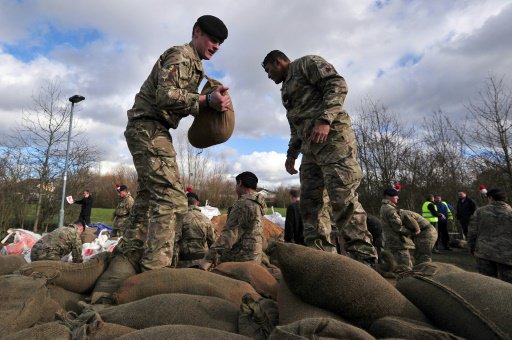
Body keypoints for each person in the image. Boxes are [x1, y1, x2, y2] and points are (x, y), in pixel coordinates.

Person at [121, 15, 230, 271]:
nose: (216, 47)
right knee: (172, 200)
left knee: (149, 198)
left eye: (220, 44)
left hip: (153, 129)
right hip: (148, 127)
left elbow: (181, 98)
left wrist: (210, 98)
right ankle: (154, 271)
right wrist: (205, 101)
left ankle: (129, 255)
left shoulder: (195, 66)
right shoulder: (181, 56)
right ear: (196, 32)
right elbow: (165, 96)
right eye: (213, 40)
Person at [261, 50, 377, 263]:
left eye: (269, 70)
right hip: (310, 149)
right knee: (310, 204)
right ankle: (321, 258)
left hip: (334, 140)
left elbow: (337, 85)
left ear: (278, 62)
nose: (269, 76)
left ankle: (363, 258)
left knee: (342, 198)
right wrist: (291, 155)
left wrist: (325, 120)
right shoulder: (286, 89)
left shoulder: (307, 64)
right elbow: (295, 125)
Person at [199, 171, 266, 270]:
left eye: (236, 184)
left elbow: (229, 235)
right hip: (254, 258)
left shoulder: (243, 204)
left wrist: (208, 258)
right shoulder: (258, 205)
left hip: (240, 261)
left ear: (240, 183)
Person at [468, 188, 512, 283]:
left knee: (487, 284)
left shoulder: (480, 212)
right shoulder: (510, 212)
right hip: (507, 254)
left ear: (490, 198)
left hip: (484, 253)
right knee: (508, 286)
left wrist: (471, 247)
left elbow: (472, 232)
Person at [174, 191, 217, 268]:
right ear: (197, 203)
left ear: (185, 203)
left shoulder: (179, 218)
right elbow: (212, 242)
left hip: (183, 263)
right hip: (202, 263)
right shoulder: (206, 219)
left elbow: (174, 240)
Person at [380, 188, 418, 272]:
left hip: (392, 241)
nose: (397, 198)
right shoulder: (390, 209)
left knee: (397, 267)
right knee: (405, 269)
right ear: (388, 197)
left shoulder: (384, 207)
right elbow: (398, 227)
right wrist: (413, 232)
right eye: (395, 196)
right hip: (398, 242)